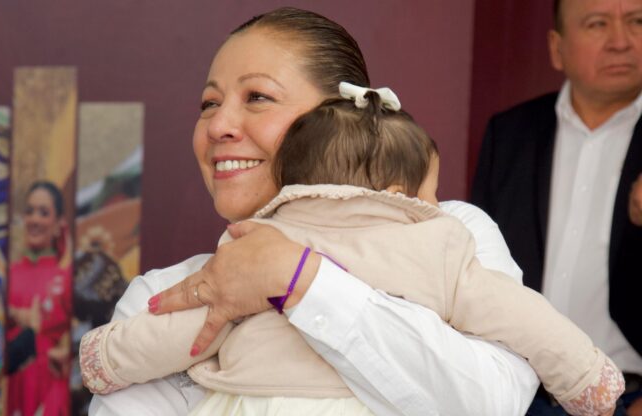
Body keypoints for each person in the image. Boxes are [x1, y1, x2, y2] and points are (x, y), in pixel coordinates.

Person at [89, 7, 540, 416]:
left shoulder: (448, 234)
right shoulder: (163, 294)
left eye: (257, 97)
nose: (220, 126)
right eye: (209, 103)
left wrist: (300, 279)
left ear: (341, 115)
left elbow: (493, 403)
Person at [83, 85, 623, 415]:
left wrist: (106, 359)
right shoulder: (437, 240)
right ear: (396, 194)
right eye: (428, 193)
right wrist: (585, 378)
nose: (436, 205)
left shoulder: (259, 244)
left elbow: (190, 330)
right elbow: (522, 317)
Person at [471, 0, 642, 414]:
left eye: (637, 21)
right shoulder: (509, 134)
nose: (621, 42)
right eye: (597, 24)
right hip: (516, 392)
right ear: (556, 47)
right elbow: (473, 271)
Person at [6, 181, 71, 416]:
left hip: (49, 389)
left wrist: (68, 353)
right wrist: (11, 314)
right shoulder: (6, 274)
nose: (34, 219)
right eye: (30, 211)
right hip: (8, 383)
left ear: (58, 224)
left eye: (44, 213)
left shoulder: (66, 278)